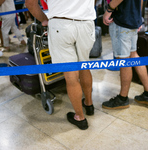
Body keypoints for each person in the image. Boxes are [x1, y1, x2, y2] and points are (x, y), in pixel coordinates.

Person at [25, 0, 96, 130]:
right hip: (86, 23)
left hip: (61, 24)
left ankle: (80, 117)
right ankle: (89, 104)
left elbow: (30, 3)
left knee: (71, 75)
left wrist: (44, 19)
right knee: (85, 66)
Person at [102, 0, 148, 110]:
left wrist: (108, 10)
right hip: (132, 19)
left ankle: (122, 98)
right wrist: (138, 16)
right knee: (133, 55)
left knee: (124, 59)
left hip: (122, 21)